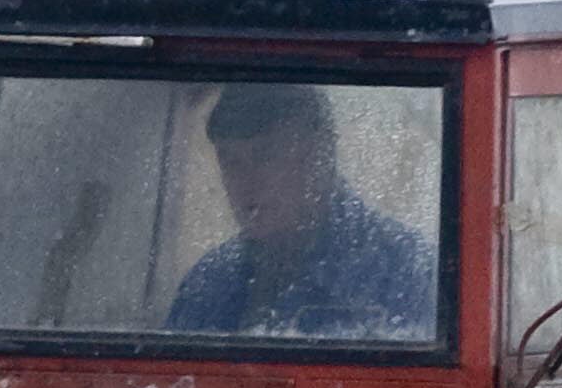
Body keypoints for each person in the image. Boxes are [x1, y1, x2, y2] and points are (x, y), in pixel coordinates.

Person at [164, 85, 432, 339]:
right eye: (230, 161)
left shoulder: (407, 272)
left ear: (320, 155)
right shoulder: (209, 282)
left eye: (265, 155)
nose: (245, 181)